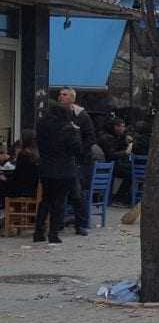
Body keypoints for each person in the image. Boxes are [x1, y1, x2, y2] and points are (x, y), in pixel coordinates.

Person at [35, 105, 84, 244]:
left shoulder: (42, 126)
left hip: (46, 169)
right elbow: (77, 149)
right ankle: (53, 233)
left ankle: (38, 232)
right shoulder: (68, 128)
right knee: (59, 202)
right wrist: (76, 132)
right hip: (64, 170)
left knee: (45, 200)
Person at [59, 88, 97, 233]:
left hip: (78, 161)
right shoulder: (57, 114)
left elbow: (91, 138)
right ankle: (59, 222)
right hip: (61, 159)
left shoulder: (81, 116)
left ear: (72, 98)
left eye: (64, 95)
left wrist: (79, 149)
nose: (61, 97)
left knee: (76, 192)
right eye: (60, 94)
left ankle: (80, 224)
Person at [0, 130, 39, 206]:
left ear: (24, 141)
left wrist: (5, 178)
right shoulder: (36, 154)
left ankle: (6, 206)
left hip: (22, 190)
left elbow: (17, 176)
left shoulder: (23, 154)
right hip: (33, 189)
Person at [100, 117, 132, 205]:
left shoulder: (114, 136)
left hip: (111, 164)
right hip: (107, 164)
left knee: (130, 172)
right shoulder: (107, 137)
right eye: (122, 126)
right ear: (116, 127)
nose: (123, 128)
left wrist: (125, 138)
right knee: (131, 174)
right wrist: (126, 152)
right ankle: (119, 198)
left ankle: (119, 197)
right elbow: (111, 155)